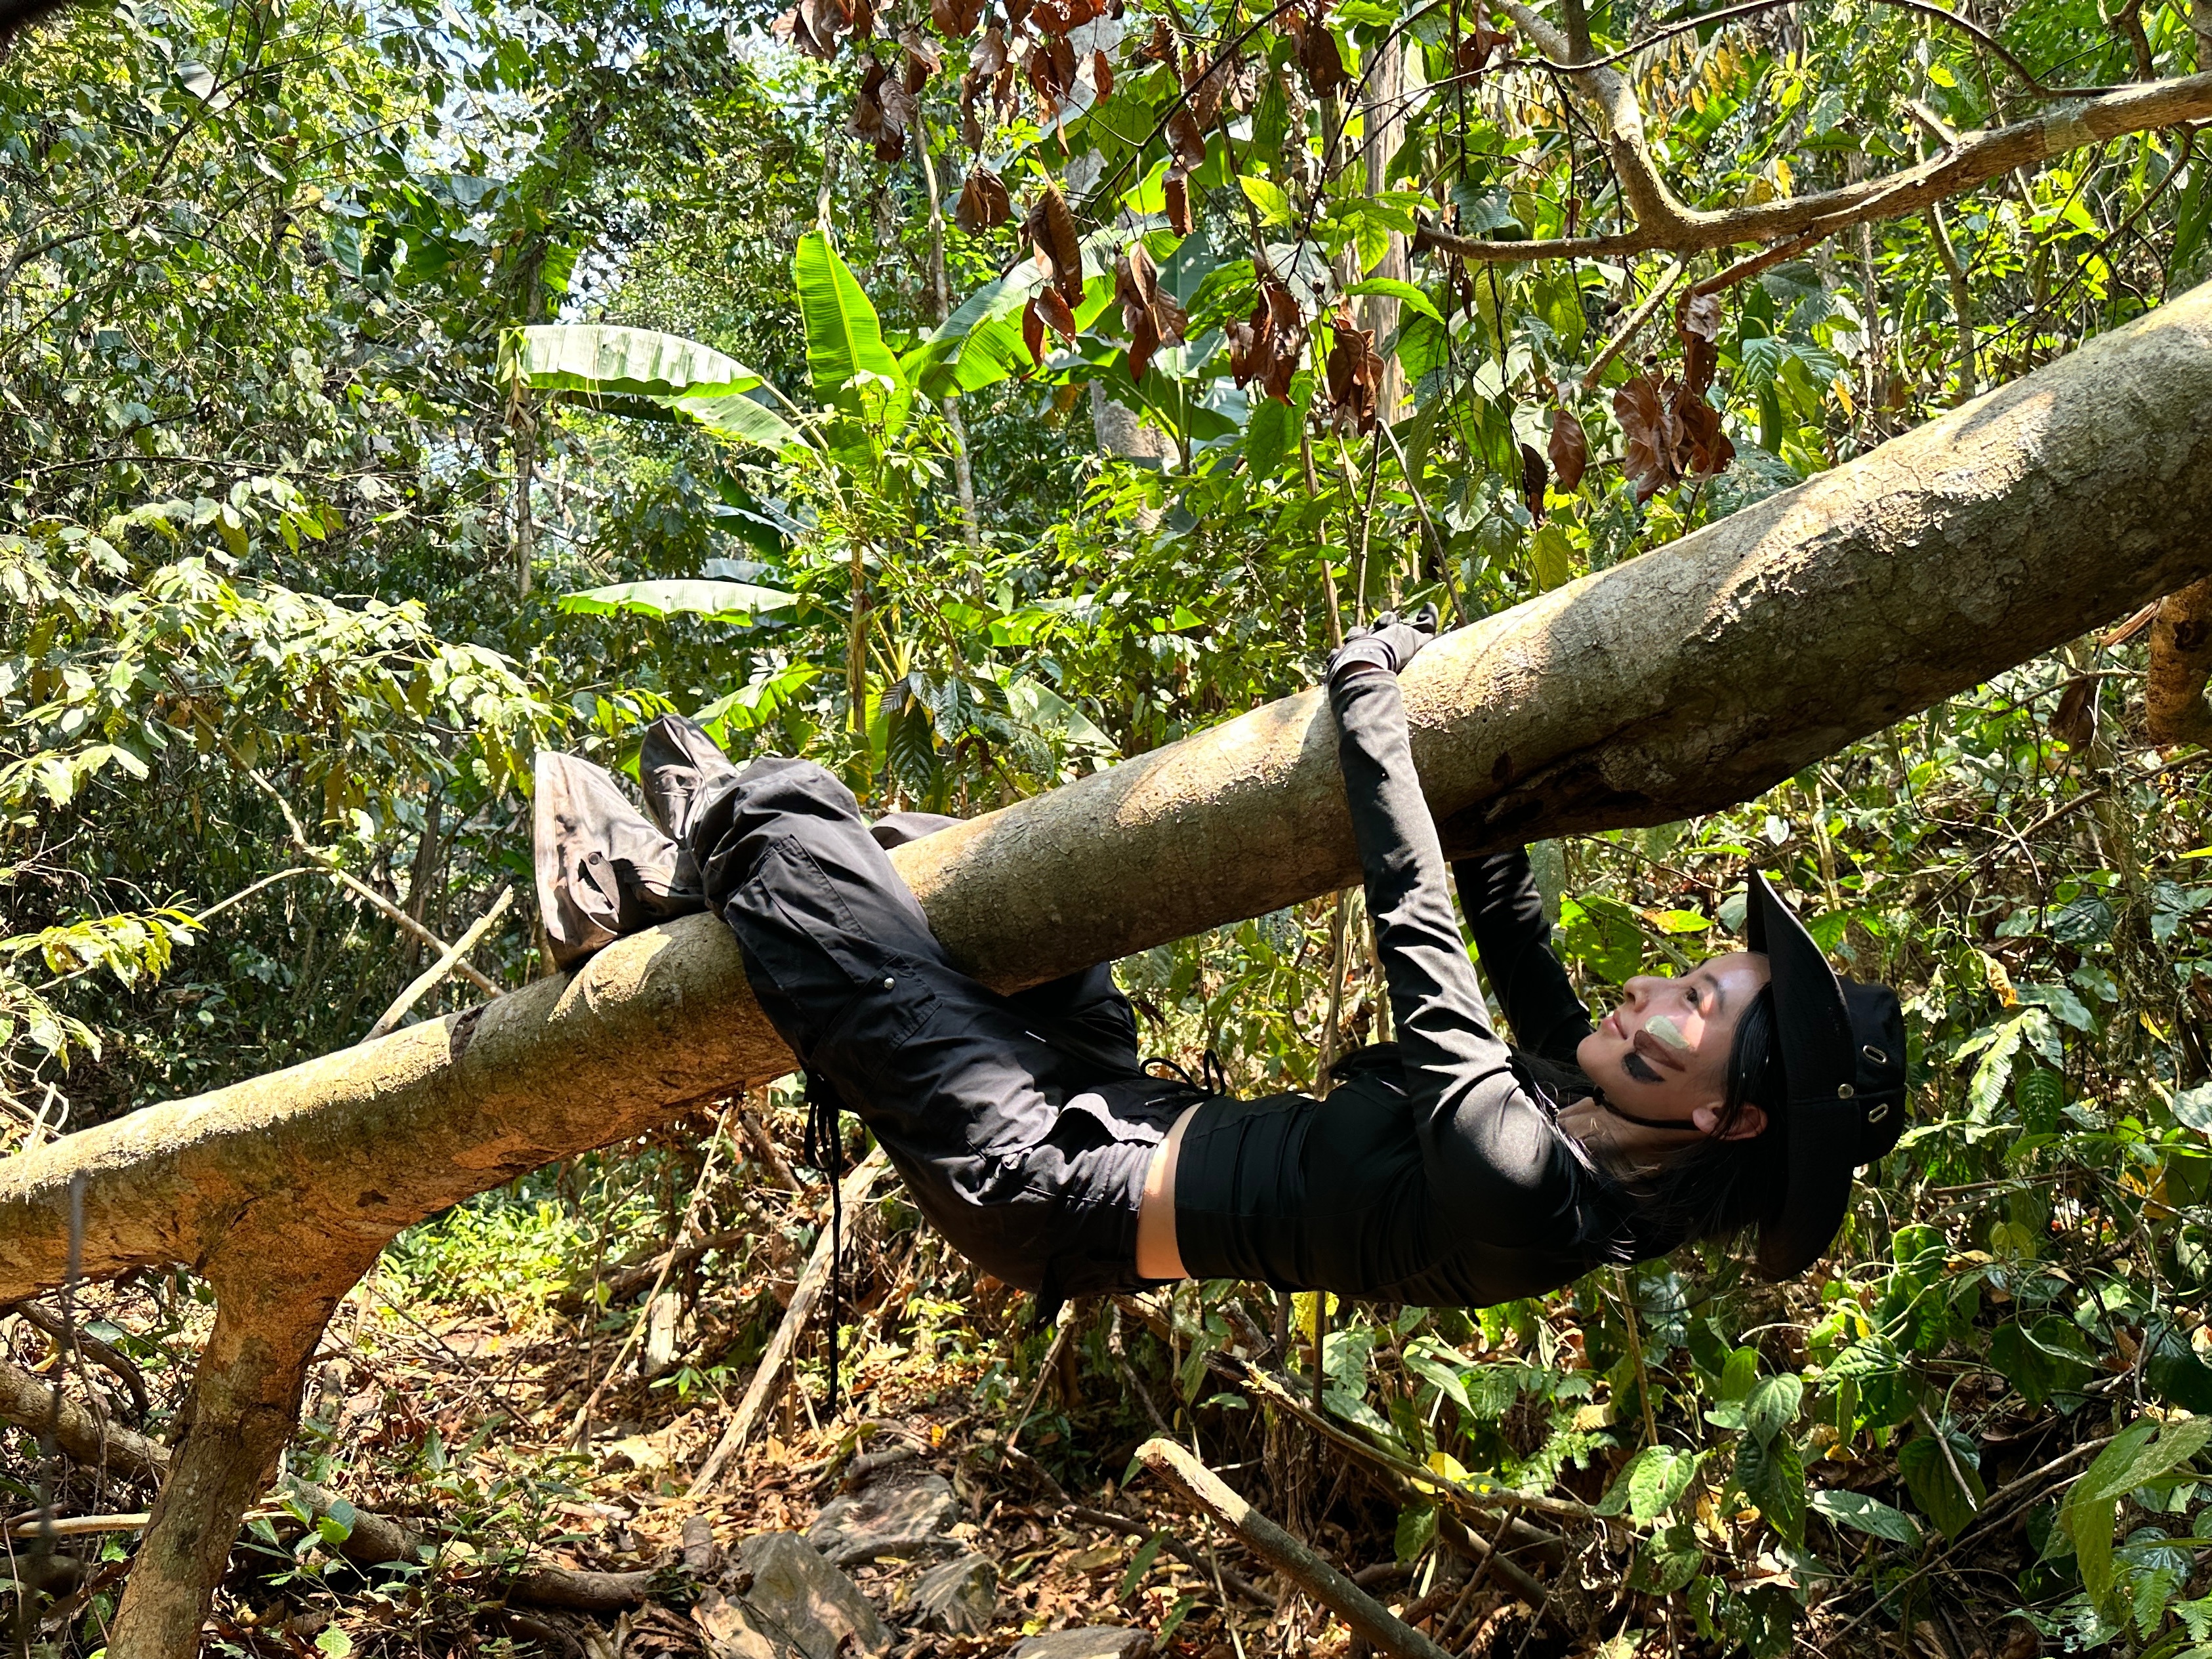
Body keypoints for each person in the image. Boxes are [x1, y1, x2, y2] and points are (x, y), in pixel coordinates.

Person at [533, 611, 1908, 1322]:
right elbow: (1501, 914)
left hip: (1041, 1177)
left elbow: (1421, 926)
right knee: (960, 868)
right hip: (1113, 1098)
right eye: (1691, 975)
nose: (1652, 994)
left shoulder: (1533, 1187)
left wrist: (1370, 705)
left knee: (789, 812)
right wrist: (1465, 700)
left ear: (1730, 1114)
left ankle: (645, 865)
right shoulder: (1595, 1103)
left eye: (1698, 1009)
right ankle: (679, 879)